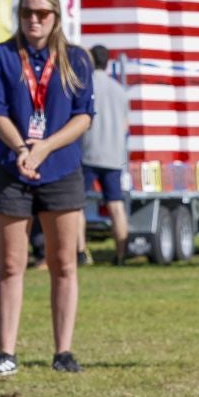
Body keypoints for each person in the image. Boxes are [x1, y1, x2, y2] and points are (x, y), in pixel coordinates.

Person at [0, 0, 94, 376]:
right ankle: (6, 352)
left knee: (63, 263)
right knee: (11, 265)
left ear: (56, 17)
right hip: (12, 170)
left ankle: (64, 352)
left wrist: (43, 148)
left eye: (42, 13)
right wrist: (23, 150)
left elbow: (83, 116)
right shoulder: (2, 55)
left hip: (61, 170)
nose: (34, 20)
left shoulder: (76, 58)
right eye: (27, 12)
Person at [78, 44, 130, 263]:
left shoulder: (85, 86)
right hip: (114, 156)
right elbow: (126, 125)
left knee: (77, 205)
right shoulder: (120, 90)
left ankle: (81, 252)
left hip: (88, 153)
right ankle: (121, 253)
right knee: (116, 206)